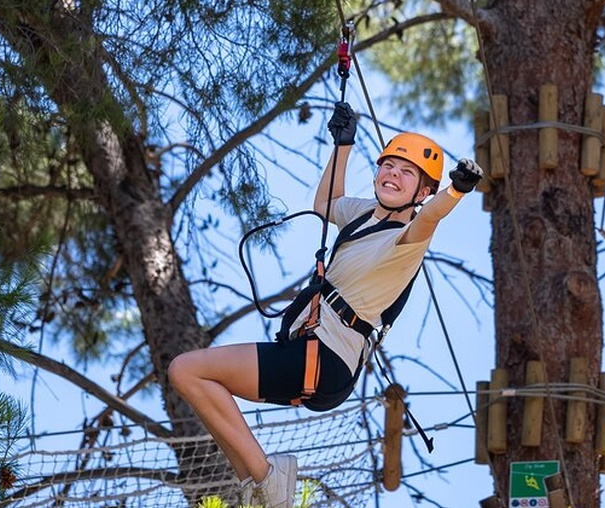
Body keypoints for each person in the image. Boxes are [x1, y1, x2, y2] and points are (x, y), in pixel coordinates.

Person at [167, 102, 482, 508]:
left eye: (408, 174)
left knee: (187, 370)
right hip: (311, 351)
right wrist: (343, 144)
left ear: (423, 192)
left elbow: (430, 219)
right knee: (199, 381)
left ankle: (266, 478)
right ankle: (259, 488)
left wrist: (455, 190)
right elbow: (325, 203)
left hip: (328, 358)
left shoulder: (408, 239)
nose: (393, 175)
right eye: (388, 166)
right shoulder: (364, 214)